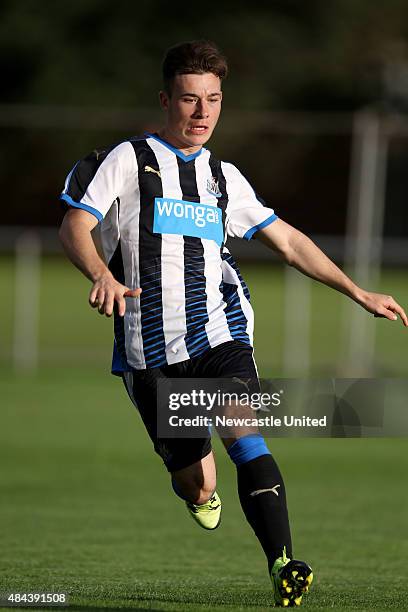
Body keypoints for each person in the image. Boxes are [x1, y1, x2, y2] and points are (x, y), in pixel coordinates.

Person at [58, 40, 407, 608]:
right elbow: (75, 225)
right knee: (199, 481)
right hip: (151, 351)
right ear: (166, 99)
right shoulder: (124, 161)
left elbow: (289, 241)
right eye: (191, 100)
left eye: (214, 101)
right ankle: (197, 492)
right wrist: (101, 273)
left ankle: (282, 563)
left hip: (221, 331)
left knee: (244, 429)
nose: (203, 114)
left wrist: (357, 291)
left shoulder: (225, 177)